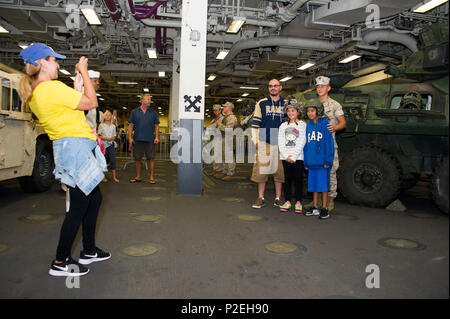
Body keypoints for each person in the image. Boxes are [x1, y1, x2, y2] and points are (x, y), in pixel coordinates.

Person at [18, 43, 111, 277]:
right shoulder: (50, 88)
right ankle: (61, 260)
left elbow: (72, 112)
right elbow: (92, 103)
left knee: (94, 198)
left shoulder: (42, 92)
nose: (58, 63)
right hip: (75, 148)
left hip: (73, 146)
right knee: (79, 206)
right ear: (42, 63)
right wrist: (85, 73)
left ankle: (88, 250)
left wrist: (77, 88)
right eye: (54, 60)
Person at [250, 78, 285, 208]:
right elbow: (255, 124)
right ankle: (260, 197)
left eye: (276, 86)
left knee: (279, 172)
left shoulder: (286, 103)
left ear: (280, 87)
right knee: (261, 172)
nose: (273, 88)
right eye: (270, 86)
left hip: (281, 142)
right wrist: (256, 140)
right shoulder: (261, 103)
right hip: (264, 140)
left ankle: (278, 198)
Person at [315, 76, 346, 212]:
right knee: (315, 170)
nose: (320, 88)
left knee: (331, 170)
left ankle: (330, 200)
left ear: (328, 88)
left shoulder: (335, 105)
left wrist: (335, 128)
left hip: (328, 144)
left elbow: (343, 123)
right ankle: (317, 201)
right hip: (314, 144)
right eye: (318, 86)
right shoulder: (312, 104)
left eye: (323, 86)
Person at [303, 103, 335, 220]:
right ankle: (315, 206)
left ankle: (324, 208)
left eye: (312, 111)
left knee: (323, 186)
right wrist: (306, 162)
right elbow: (306, 146)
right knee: (313, 186)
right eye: (308, 111)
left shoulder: (325, 124)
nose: (310, 113)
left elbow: (329, 143)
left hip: (322, 162)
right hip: (312, 162)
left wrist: (328, 159)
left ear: (318, 111)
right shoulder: (308, 126)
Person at [278, 98, 307, 214]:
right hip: (285, 157)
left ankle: (299, 201)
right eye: (289, 111)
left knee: (298, 179)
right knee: (287, 179)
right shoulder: (283, 126)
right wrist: (286, 156)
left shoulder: (302, 125)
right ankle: (288, 201)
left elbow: (302, 140)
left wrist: (294, 156)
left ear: (298, 112)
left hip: (298, 157)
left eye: (293, 111)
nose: (291, 113)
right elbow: (280, 141)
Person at [128, 93, 160, 184]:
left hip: (150, 139)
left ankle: (151, 177)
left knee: (151, 158)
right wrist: (130, 138)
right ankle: (138, 176)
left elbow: (156, 126)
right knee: (137, 158)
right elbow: (130, 126)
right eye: (147, 99)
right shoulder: (134, 112)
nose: (149, 101)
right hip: (137, 139)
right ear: (142, 100)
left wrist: (157, 136)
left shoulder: (153, 112)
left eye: (150, 99)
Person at [215, 101, 239, 181]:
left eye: (225, 107)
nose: (223, 108)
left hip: (229, 139)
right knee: (224, 156)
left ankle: (230, 173)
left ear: (229, 108)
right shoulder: (227, 117)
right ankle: (225, 171)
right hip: (224, 138)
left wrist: (220, 125)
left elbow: (228, 129)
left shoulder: (232, 118)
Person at [98, 110, 119, 182]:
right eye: (106, 115)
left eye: (109, 115)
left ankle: (114, 177)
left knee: (112, 160)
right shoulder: (101, 125)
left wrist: (111, 139)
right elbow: (99, 136)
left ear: (111, 117)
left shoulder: (113, 126)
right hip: (103, 145)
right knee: (103, 160)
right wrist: (106, 138)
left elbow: (114, 136)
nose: (108, 116)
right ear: (104, 116)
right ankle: (103, 176)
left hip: (111, 145)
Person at [207, 104, 224, 178]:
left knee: (218, 156)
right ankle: (215, 170)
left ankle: (219, 171)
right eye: (214, 110)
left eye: (216, 110)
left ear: (220, 110)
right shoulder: (214, 119)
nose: (215, 112)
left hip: (220, 139)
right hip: (214, 139)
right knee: (214, 155)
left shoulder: (222, 118)